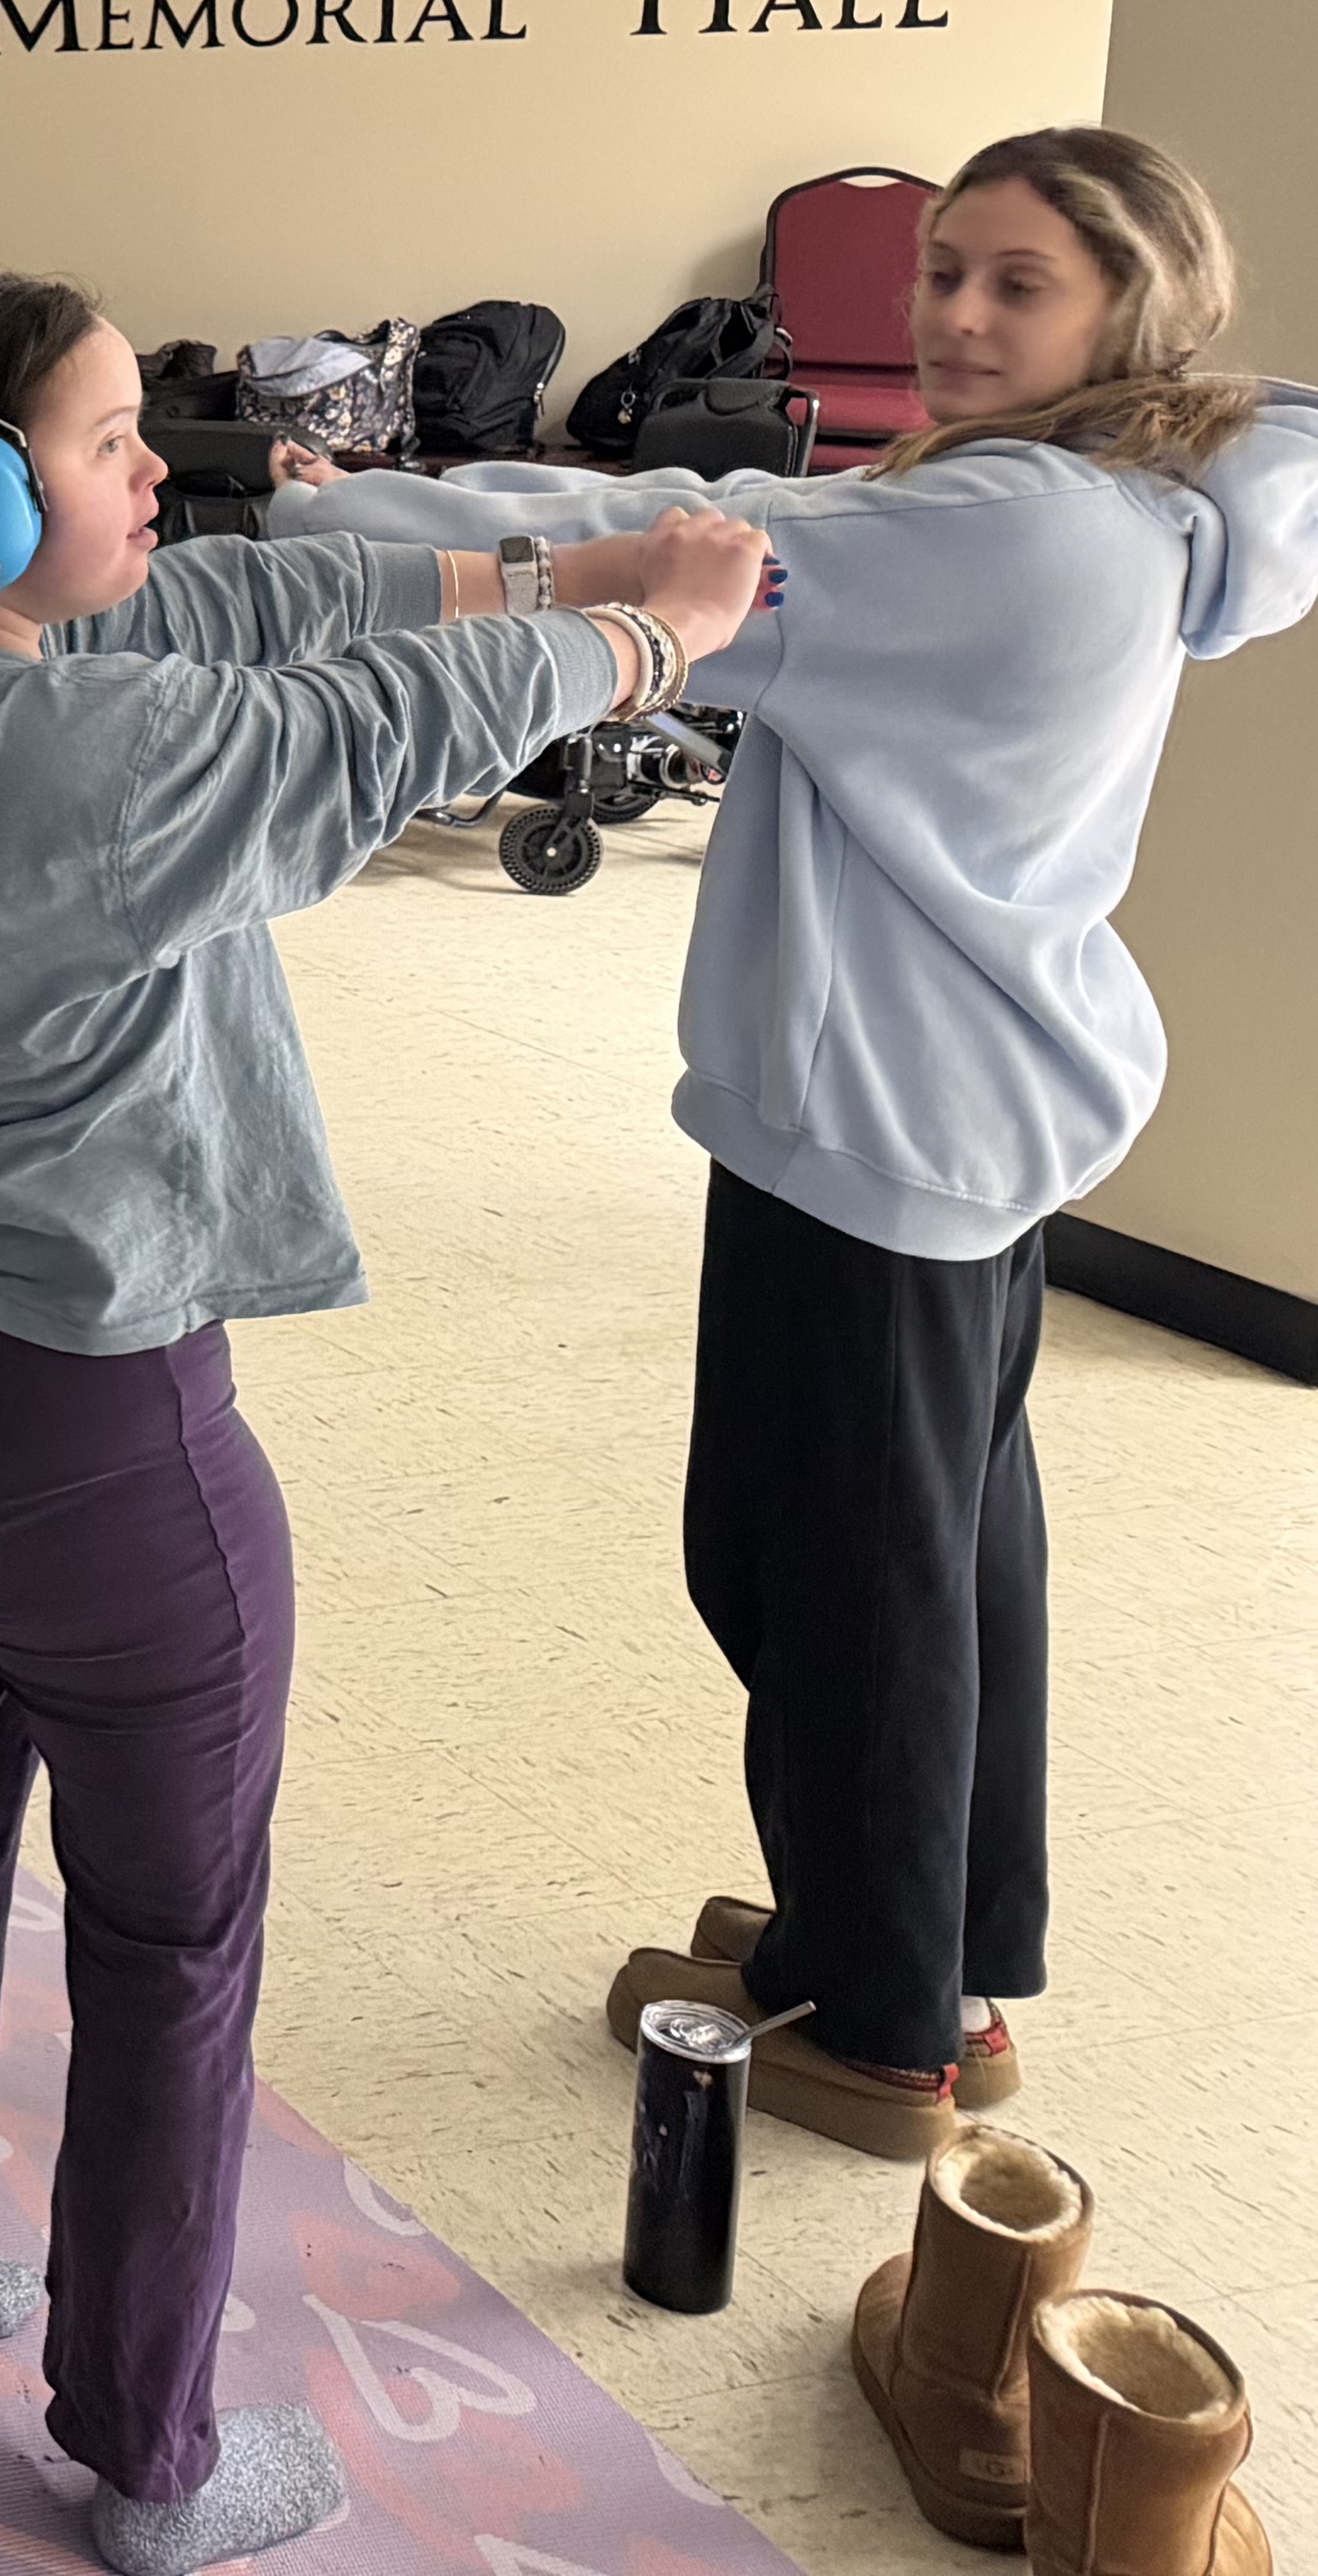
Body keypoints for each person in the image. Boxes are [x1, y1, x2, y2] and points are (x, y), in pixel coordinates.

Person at [0, 261, 767, 2576]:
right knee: (174, 1926)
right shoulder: (78, 754)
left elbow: (259, 607)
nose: (150, 477)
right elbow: (356, 722)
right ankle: (154, 2456)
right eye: (108, 442)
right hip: (58, 1411)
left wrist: (555, 555)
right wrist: (645, 633)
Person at [282, 126, 1316, 2156]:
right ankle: (930, 1951)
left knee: (829, 1570)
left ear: (1134, 307)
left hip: (881, 1118)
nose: (953, 317)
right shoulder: (1161, 492)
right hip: (962, 1110)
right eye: (945, 270)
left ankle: (885, 2029)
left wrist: (335, 515)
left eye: (1020, 283)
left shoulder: (1002, 528)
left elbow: (676, 536)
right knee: (943, 1548)